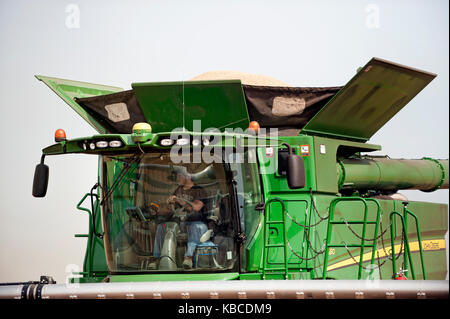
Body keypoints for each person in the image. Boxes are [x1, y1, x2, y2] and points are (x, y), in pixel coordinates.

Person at [151, 169, 209, 269]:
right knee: (162, 227)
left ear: (188, 176)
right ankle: (157, 259)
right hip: (181, 224)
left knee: (195, 227)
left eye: (179, 176)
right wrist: (163, 208)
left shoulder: (199, 190)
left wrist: (178, 199)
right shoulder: (178, 190)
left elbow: (196, 207)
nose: (177, 178)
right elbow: (171, 211)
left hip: (197, 223)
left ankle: (188, 257)